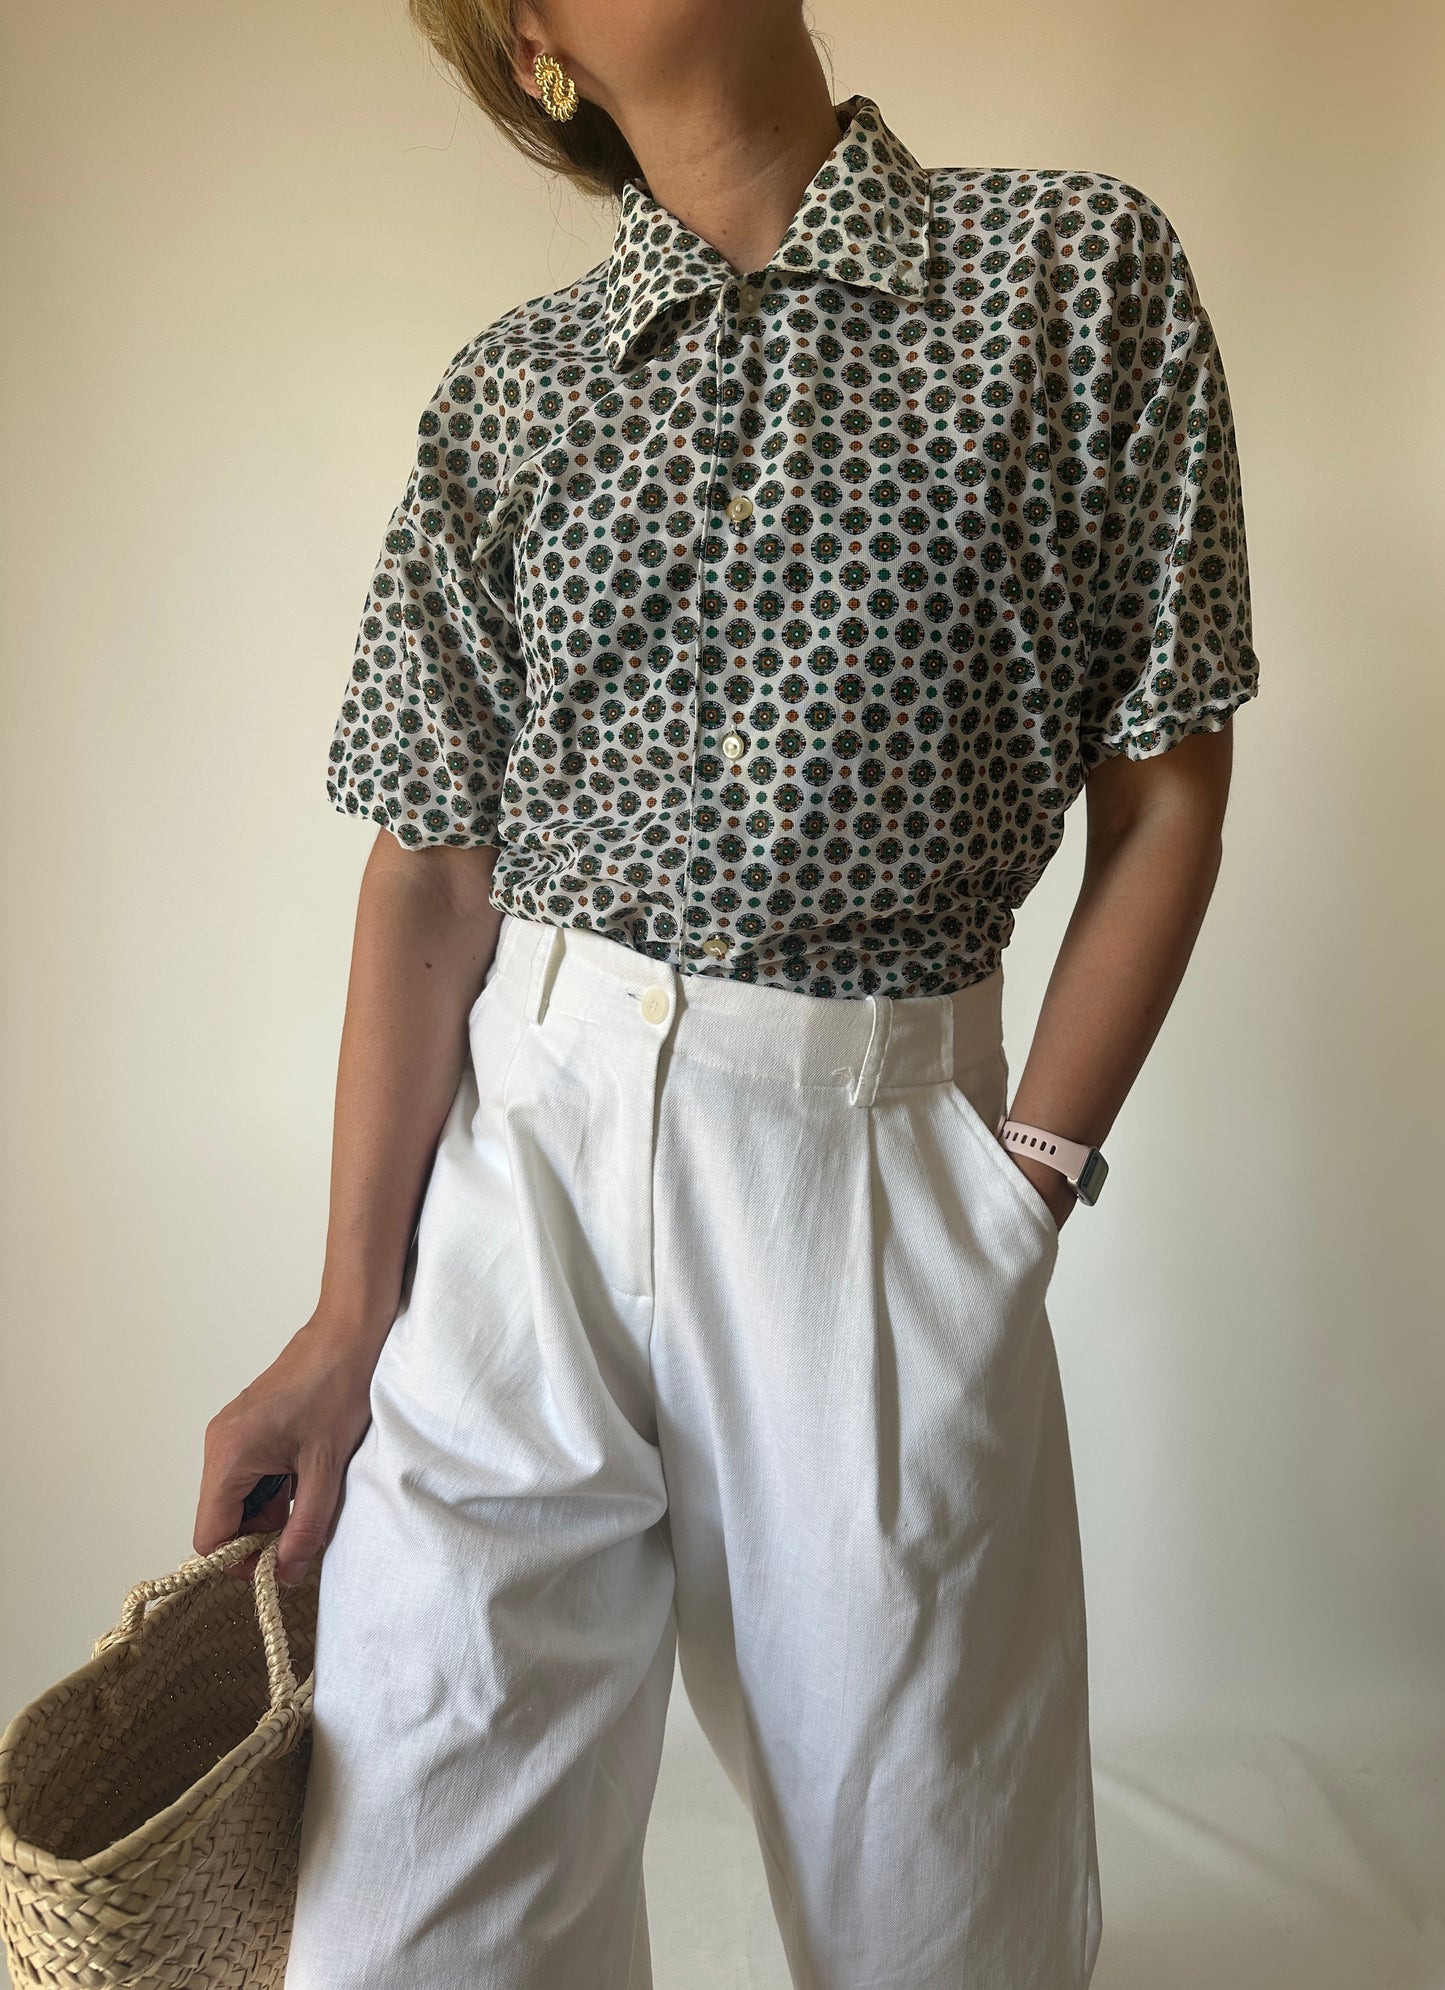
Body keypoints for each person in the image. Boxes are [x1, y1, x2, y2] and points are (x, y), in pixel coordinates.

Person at [193, 1, 1261, 1984]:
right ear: (533, 47)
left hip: (875, 1188)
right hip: (520, 1186)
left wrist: (1020, 1185)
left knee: (938, 1906)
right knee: (407, 1922)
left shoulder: (1071, 278)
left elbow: (1168, 787)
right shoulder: (512, 395)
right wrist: (349, 1315)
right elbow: (428, 865)